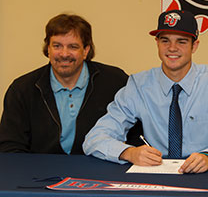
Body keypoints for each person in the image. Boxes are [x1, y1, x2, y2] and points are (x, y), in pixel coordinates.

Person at [83, 9, 208, 173]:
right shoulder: (139, 85)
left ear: (195, 46)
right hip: (156, 174)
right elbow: (94, 138)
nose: (172, 48)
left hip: (203, 175)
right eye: (165, 41)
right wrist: (128, 152)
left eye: (181, 41)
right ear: (157, 43)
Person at [0, 13, 130, 154]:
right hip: (38, 172)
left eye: (73, 47)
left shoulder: (115, 81)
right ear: (48, 49)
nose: (64, 54)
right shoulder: (22, 89)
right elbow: (10, 146)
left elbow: (136, 132)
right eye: (57, 46)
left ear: (86, 50)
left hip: (99, 170)